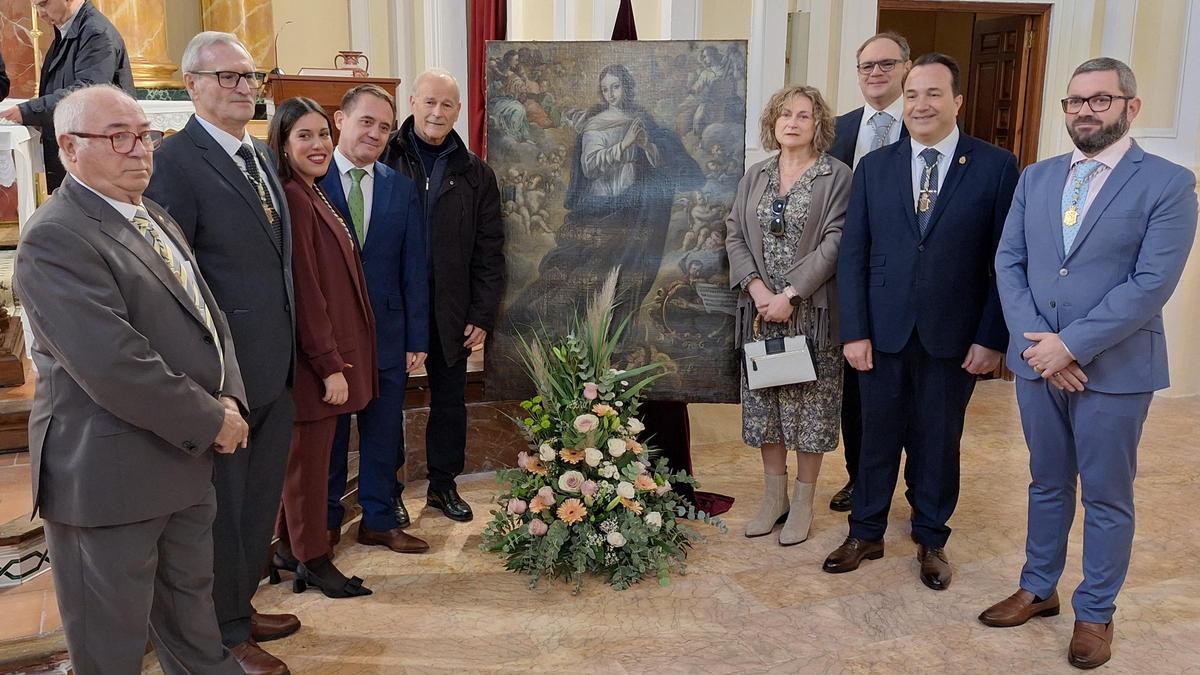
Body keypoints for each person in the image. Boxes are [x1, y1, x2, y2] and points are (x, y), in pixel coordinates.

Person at [13, 84, 243, 675]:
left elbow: (208, 320)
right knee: (109, 648)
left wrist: (231, 395)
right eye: (120, 138)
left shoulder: (151, 213)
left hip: (182, 466)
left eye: (146, 135)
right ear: (69, 147)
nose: (141, 151)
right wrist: (213, 419)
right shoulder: (55, 237)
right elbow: (114, 366)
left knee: (194, 628)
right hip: (108, 478)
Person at [983, 57, 1197, 669]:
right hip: (1037, 363)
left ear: (1131, 106)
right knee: (1047, 482)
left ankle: (1096, 612)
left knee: (1106, 495)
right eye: (1075, 101)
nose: (1085, 111)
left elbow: (1152, 282)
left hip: (1116, 371)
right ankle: (1038, 586)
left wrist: (1070, 346)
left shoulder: (1168, 182)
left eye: (1100, 100)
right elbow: (1010, 262)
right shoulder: (1037, 177)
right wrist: (1041, 348)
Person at [824, 53, 1017, 591]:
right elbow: (854, 254)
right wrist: (854, 330)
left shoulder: (996, 165)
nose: (920, 104)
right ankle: (865, 532)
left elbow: (1006, 259)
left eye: (933, 93)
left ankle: (931, 537)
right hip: (881, 332)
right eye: (912, 94)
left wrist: (990, 337)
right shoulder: (875, 167)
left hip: (954, 337)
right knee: (873, 436)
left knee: (938, 439)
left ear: (957, 101)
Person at [145, 32, 295, 675]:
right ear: (191, 85)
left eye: (249, 75)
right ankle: (221, 633)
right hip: (223, 372)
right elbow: (173, 278)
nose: (242, 86)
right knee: (222, 512)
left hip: (277, 363)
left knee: (258, 502)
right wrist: (207, 378)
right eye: (227, 76)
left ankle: (241, 604)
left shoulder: (259, 155)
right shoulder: (175, 162)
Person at [725, 85, 850, 545]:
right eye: (784, 115)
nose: (792, 122)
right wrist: (758, 290)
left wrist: (791, 294)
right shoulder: (755, 175)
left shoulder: (836, 176)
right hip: (759, 313)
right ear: (772, 124)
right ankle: (772, 498)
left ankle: (802, 504)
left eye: (803, 115)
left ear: (819, 124)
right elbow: (734, 233)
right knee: (767, 409)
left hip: (810, 312)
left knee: (810, 412)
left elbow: (837, 240)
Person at [381, 69, 504, 522]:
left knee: (450, 403)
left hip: (451, 311)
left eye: (447, 105)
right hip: (393, 308)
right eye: (429, 102)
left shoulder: (476, 174)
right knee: (387, 402)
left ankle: (442, 486)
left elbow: (490, 251)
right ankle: (386, 489)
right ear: (412, 102)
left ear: (458, 111)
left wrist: (482, 313)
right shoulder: (384, 159)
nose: (437, 112)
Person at [267, 96, 378, 597]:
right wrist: (330, 365)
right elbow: (307, 290)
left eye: (322, 135)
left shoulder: (315, 191)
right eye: (304, 136)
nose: (318, 145)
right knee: (309, 469)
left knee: (309, 461)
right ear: (283, 143)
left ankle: (290, 548)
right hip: (316, 363)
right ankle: (313, 559)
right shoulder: (293, 195)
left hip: (330, 355)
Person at [320, 84, 430, 553]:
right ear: (340, 121)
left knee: (383, 431)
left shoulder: (400, 188)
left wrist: (416, 336)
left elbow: (414, 266)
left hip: (387, 333)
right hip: (329, 337)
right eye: (367, 121)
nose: (376, 133)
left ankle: (379, 520)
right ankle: (321, 526)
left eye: (385, 127)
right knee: (330, 436)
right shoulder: (309, 183)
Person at [826, 31, 912, 513]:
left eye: (886, 64)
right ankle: (859, 479)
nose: (876, 73)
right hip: (848, 279)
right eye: (867, 66)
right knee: (854, 392)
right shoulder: (838, 129)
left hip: (903, 281)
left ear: (906, 67)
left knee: (910, 396)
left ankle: (920, 489)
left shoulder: (924, 125)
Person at [0, 0, 133, 191]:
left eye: (44, 4)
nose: (40, 14)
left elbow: (87, 94)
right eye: (36, 6)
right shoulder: (68, 31)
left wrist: (28, 111)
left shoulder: (95, 32)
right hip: (79, 150)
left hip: (97, 154)